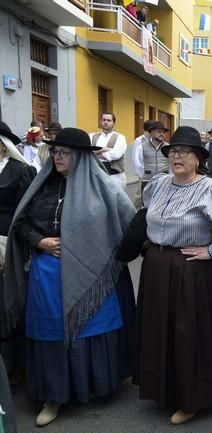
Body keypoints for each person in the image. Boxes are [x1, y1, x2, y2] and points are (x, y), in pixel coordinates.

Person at [3, 127, 136, 427]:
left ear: (79, 157)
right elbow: (20, 222)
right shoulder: (41, 185)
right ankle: (54, 395)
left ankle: (94, 385)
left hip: (92, 272)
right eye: (55, 151)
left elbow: (129, 223)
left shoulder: (104, 186)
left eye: (64, 153)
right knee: (51, 332)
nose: (58, 157)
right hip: (47, 272)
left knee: (89, 331)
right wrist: (39, 241)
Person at [132, 126, 212, 425]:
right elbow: (145, 214)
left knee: (188, 334)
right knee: (159, 329)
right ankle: (163, 388)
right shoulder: (158, 184)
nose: (176, 156)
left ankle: (192, 397)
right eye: (172, 152)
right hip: (157, 267)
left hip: (191, 270)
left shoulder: (211, 189)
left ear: (198, 159)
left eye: (184, 152)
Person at [0, 121, 34, 433]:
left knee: (11, 304)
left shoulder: (21, 172)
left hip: (9, 245)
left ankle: (17, 367)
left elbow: (26, 213)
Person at [90, 112, 128, 189]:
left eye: (108, 120)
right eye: (104, 120)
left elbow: (116, 154)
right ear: (100, 121)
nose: (106, 122)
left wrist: (96, 153)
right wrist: (106, 150)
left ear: (113, 123)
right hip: (96, 175)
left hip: (115, 177)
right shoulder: (91, 136)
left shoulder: (120, 137)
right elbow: (87, 152)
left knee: (115, 200)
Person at [133, 120, 169, 191]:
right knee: (147, 201)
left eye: (163, 132)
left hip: (164, 182)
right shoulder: (142, 147)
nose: (162, 134)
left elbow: (171, 165)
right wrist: (144, 176)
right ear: (152, 133)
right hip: (147, 181)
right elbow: (138, 164)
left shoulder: (168, 147)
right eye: (159, 132)